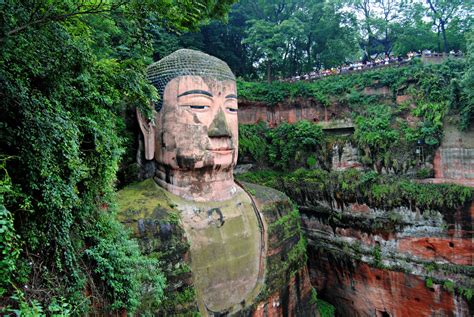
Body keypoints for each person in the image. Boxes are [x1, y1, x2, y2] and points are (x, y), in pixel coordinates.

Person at [117, 49, 315, 316]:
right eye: (198, 106)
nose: (220, 128)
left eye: (231, 108)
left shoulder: (275, 207)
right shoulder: (125, 227)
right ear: (148, 121)